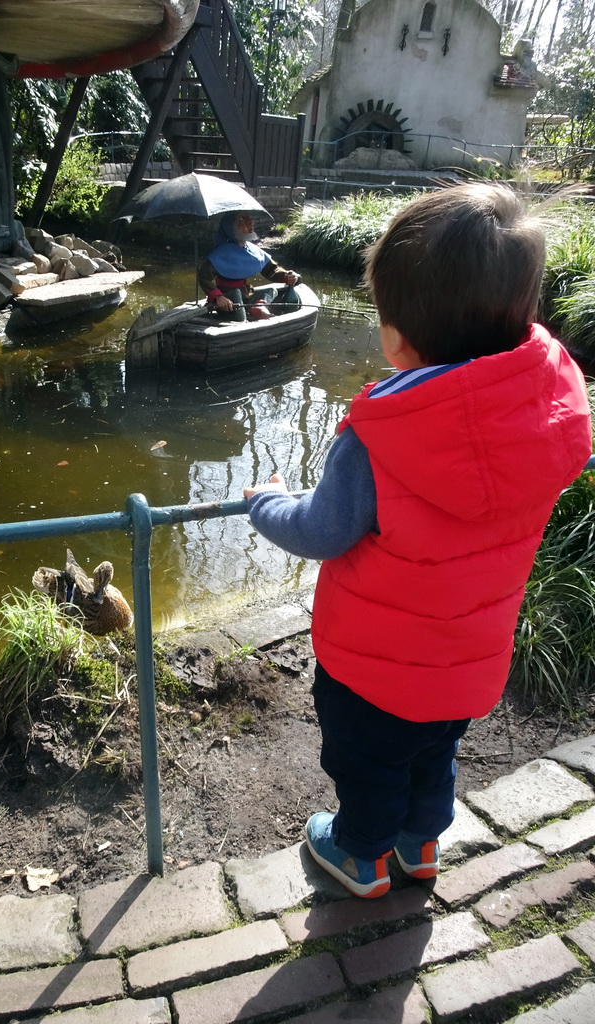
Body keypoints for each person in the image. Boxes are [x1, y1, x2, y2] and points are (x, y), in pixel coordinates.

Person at [243, 183, 592, 899]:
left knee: (367, 762)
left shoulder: (384, 435)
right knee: (437, 753)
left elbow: (322, 529)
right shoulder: (553, 415)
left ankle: (360, 856)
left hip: (374, 668)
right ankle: (420, 846)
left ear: (395, 334)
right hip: (470, 660)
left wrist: (266, 503)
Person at [199, 211, 300, 321]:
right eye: (242, 218)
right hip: (227, 298)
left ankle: (258, 307)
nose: (251, 221)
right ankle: (243, 321)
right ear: (231, 227)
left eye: (249, 217)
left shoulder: (253, 250)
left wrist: (287, 276)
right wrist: (218, 297)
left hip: (245, 293)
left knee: (271, 290)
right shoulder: (220, 253)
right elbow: (204, 277)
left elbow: (271, 270)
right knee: (236, 296)